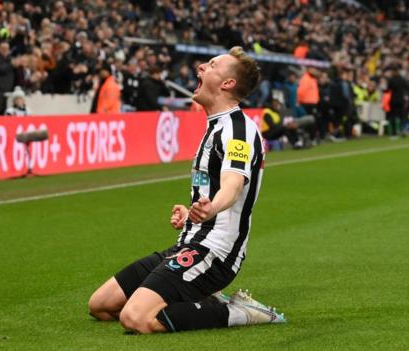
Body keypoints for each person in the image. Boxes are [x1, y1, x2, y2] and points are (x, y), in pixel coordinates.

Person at [88, 46, 285, 334]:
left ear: (227, 83)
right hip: (188, 241)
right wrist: (192, 212)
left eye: (212, 65)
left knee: (136, 318)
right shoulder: (214, 126)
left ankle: (237, 312)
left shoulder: (239, 130)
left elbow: (231, 186)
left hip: (215, 252)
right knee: (101, 305)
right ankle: (200, 297)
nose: (201, 67)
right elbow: (210, 190)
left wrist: (213, 209)